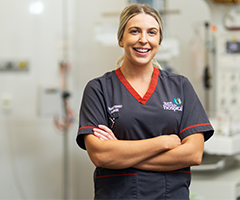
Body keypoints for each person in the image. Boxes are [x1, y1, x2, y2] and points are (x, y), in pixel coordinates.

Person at [76, 3, 214, 200]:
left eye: (152, 32)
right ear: (121, 39)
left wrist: (122, 153)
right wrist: (163, 142)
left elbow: (193, 154)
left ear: (159, 40)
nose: (143, 40)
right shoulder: (99, 89)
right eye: (134, 31)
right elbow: (101, 156)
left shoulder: (180, 86)